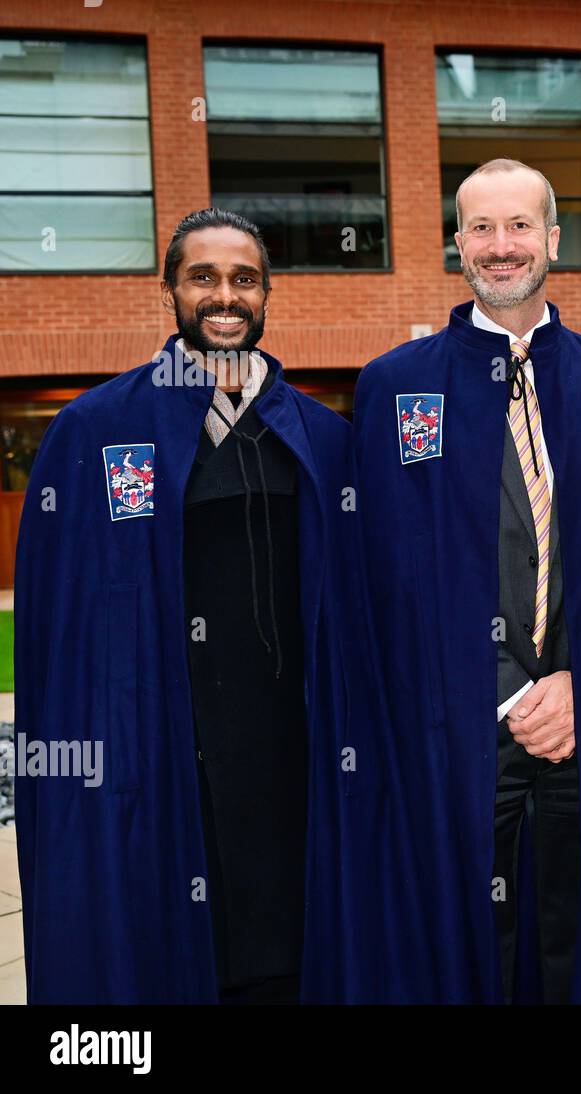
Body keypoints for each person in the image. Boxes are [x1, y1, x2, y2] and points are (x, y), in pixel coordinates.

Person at [15, 208, 412, 1004]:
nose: (223, 296)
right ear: (170, 291)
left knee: (289, 957)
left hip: (292, 763)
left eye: (243, 279)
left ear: (267, 294)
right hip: (165, 763)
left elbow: (366, 627)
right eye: (203, 277)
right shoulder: (96, 432)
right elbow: (58, 638)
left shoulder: (324, 442)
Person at [353, 159, 581, 1003]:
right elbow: (390, 573)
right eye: (480, 228)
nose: (501, 246)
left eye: (520, 225)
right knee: (470, 944)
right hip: (457, 727)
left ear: (554, 240)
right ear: (457, 243)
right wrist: (503, 694)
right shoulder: (395, 387)